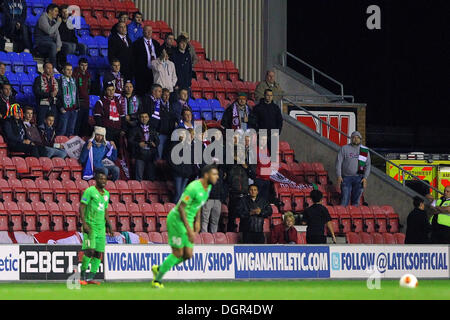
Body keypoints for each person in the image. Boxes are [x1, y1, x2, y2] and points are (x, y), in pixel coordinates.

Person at [151, 165, 219, 288]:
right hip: (177, 220)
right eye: (214, 174)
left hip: (188, 220)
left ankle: (160, 268)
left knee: (188, 255)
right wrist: (189, 229)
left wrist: (197, 222)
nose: (217, 177)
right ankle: (157, 280)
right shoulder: (193, 187)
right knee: (178, 253)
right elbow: (181, 207)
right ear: (206, 175)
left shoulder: (208, 188)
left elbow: (198, 204)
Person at [79, 168, 114, 285]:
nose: (103, 181)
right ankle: (82, 276)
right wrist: (84, 223)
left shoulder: (107, 194)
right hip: (90, 225)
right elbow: (82, 206)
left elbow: (105, 210)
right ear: (96, 179)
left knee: (99, 253)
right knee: (90, 250)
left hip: (101, 227)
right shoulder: (90, 191)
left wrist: (109, 225)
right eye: (100, 178)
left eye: (105, 179)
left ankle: (90, 277)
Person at [225, 147, 256, 232]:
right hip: (234, 195)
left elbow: (253, 175)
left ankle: (243, 235)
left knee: (245, 217)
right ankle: (230, 234)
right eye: (239, 153)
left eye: (242, 154)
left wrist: (245, 166)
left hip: (245, 196)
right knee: (232, 217)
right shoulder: (230, 164)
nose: (241, 155)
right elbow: (226, 173)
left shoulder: (246, 165)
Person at [336, 131, 371, 207]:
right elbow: (338, 163)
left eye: (357, 137)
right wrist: (339, 176)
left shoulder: (364, 150)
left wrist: (365, 178)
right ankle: (343, 217)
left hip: (359, 178)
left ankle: (353, 218)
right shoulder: (344, 148)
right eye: (354, 137)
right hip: (346, 178)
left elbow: (368, 165)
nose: (356, 139)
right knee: (344, 200)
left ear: (360, 139)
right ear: (351, 138)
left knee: (356, 202)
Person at [127, 111, 159, 181]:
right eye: (142, 117)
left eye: (145, 117)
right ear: (139, 118)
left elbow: (157, 141)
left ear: (148, 118)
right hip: (139, 154)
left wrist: (154, 144)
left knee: (151, 178)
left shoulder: (152, 129)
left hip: (150, 154)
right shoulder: (135, 129)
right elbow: (130, 141)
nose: (144, 119)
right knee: (139, 178)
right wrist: (138, 144)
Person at [93, 82, 125, 150]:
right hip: (107, 130)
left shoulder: (117, 101)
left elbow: (122, 116)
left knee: (116, 149)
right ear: (105, 91)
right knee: (107, 149)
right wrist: (103, 130)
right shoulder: (100, 102)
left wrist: (123, 129)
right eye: (109, 90)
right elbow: (97, 118)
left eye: (112, 89)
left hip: (117, 130)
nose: (111, 92)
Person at [132, 25, 162, 95]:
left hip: (154, 73)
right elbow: (133, 59)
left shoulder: (156, 44)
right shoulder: (136, 44)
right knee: (142, 94)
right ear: (143, 32)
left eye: (150, 31)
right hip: (141, 73)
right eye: (147, 31)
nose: (149, 32)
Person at [34, 4, 62, 73]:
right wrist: (58, 23)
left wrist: (59, 46)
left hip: (49, 43)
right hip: (40, 44)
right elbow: (49, 31)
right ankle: (53, 67)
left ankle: (62, 68)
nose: (57, 13)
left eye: (57, 11)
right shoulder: (43, 18)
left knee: (63, 47)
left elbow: (57, 35)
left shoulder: (54, 21)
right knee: (53, 45)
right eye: (55, 11)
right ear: (50, 11)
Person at [169, 129, 195, 203]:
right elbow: (171, 159)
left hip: (186, 173)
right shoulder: (175, 145)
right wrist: (176, 169)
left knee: (182, 193)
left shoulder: (191, 146)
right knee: (178, 193)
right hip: (178, 173)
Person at [56, 63, 79, 136]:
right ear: (63, 70)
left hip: (73, 109)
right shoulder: (59, 81)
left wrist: (77, 107)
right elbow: (57, 96)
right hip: (64, 109)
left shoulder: (74, 80)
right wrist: (60, 107)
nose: (70, 72)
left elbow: (76, 95)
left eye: (71, 70)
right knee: (62, 130)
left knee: (71, 131)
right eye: (67, 70)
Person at [201, 166, 226, 233]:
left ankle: (213, 237)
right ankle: (204, 236)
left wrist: (222, 197)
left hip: (218, 199)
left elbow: (222, 185)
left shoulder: (221, 171)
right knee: (205, 220)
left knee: (215, 221)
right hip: (208, 198)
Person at [33, 61, 58, 126]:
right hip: (42, 106)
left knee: (52, 125)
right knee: (41, 125)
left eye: (51, 68)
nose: (50, 70)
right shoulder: (38, 79)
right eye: (48, 68)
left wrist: (56, 94)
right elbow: (37, 92)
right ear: (44, 69)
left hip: (53, 105)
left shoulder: (55, 80)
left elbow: (59, 92)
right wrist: (50, 94)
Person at [157, 88, 178, 160]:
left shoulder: (171, 106)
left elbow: (174, 116)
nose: (166, 97)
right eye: (165, 95)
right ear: (161, 95)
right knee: (160, 154)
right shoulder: (157, 104)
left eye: (168, 95)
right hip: (161, 132)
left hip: (169, 132)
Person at [73, 57, 91, 137]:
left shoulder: (88, 74)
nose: (84, 67)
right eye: (82, 65)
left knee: (85, 124)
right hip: (79, 102)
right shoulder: (75, 74)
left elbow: (89, 88)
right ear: (79, 65)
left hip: (86, 103)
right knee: (77, 124)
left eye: (86, 65)